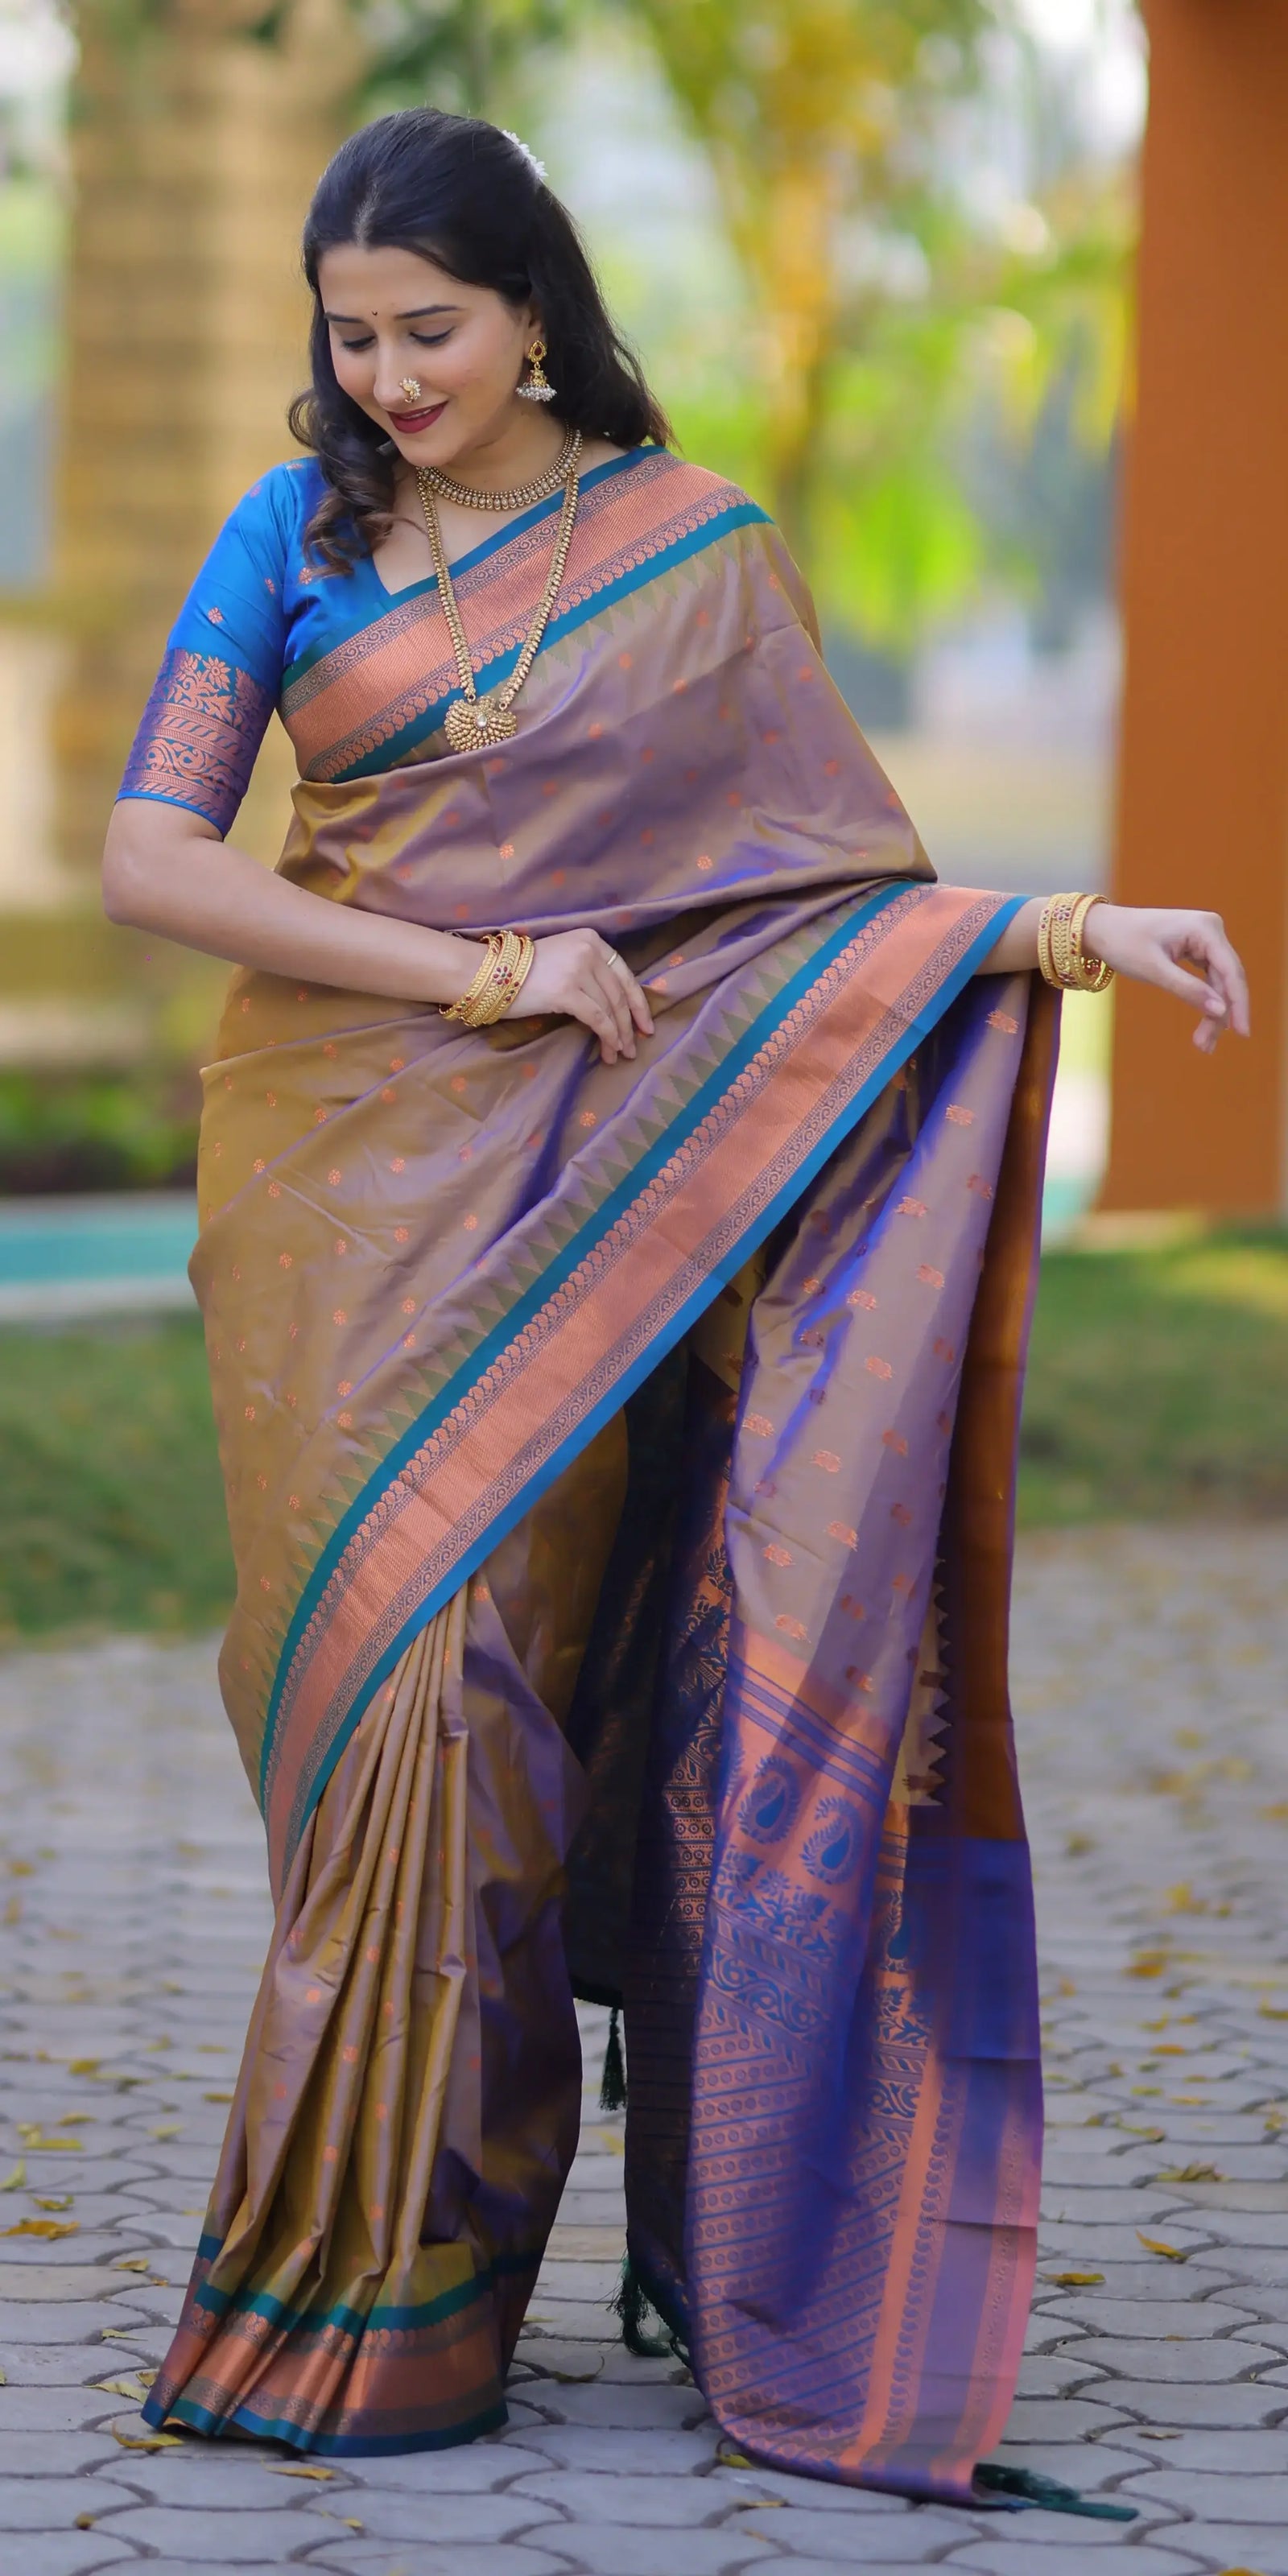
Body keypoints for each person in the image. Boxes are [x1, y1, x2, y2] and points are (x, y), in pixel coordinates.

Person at [103, 107, 1247, 2496]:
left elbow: (801, 907)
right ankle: (340, 2287)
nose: (387, 375)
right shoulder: (291, 538)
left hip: (606, 1193)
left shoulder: (692, 556)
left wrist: (1053, 935)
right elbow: (146, 858)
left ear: (537, 310)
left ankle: (451, 2294)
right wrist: (476, 965)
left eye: (429, 329)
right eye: (349, 335)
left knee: (508, 1716)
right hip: (353, 1180)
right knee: (385, 1692)